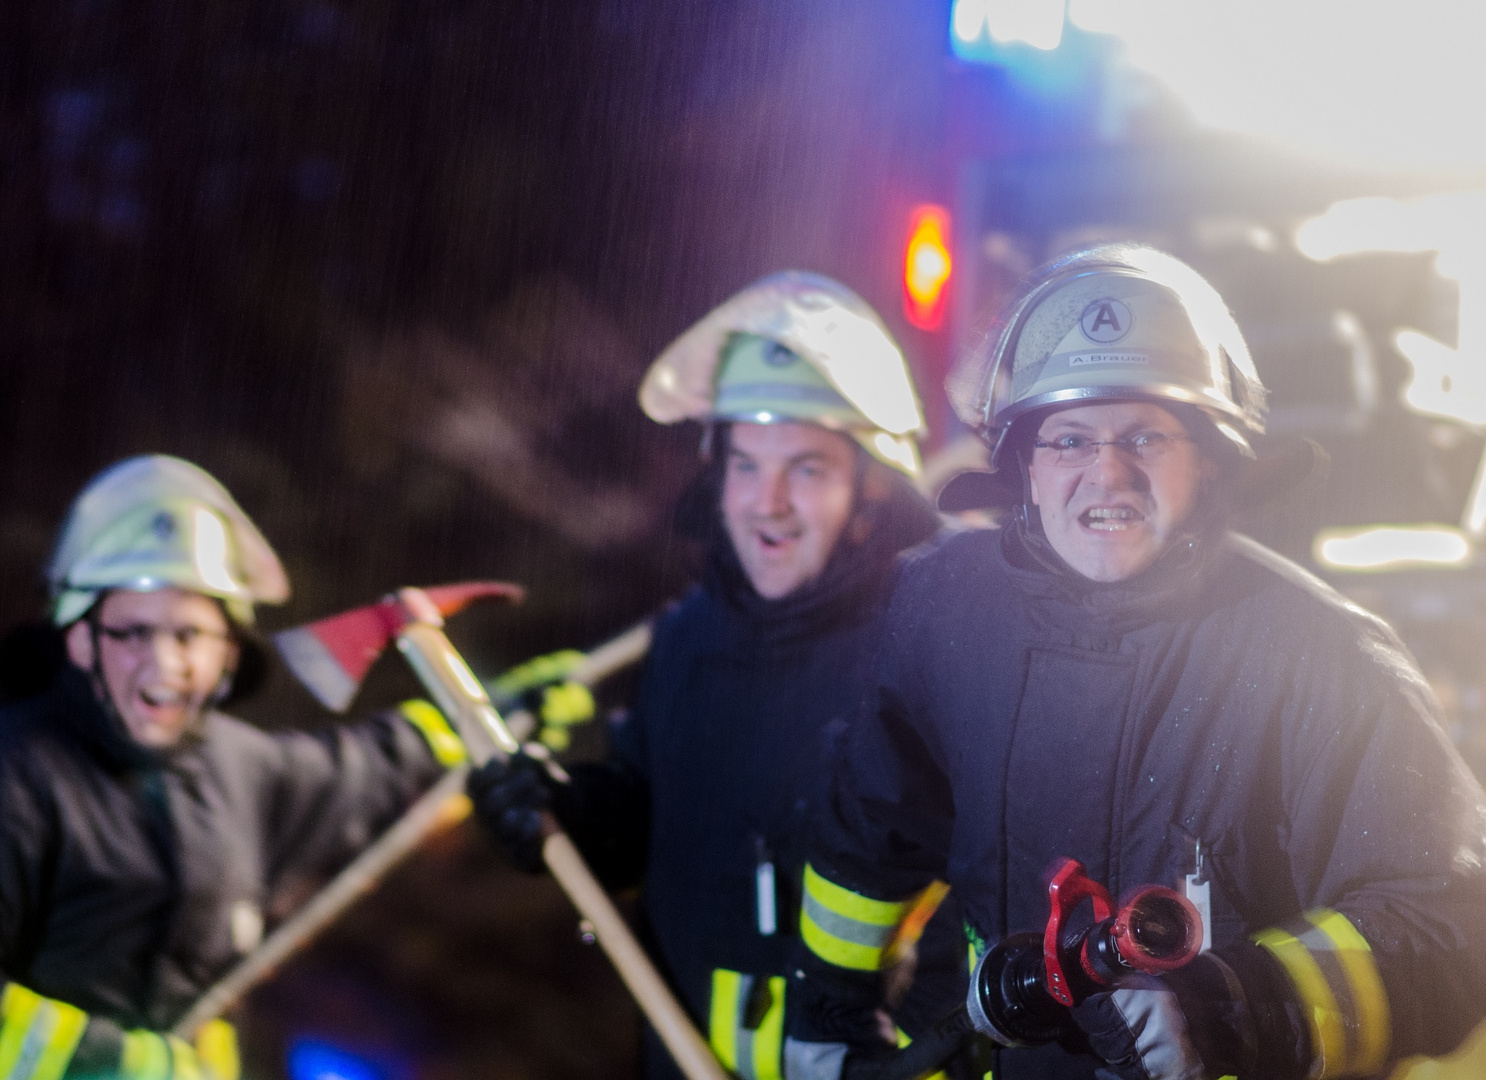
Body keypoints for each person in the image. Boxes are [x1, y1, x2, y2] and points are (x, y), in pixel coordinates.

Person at [784, 244, 1486, 1080]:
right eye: (1071, 438)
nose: (1106, 473)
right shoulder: (941, 609)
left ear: (1210, 459)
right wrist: (827, 1012)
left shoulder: (1324, 659)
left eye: (1147, 435)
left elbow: (1450, 927)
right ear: (1025, 469)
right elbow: (871, 831)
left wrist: (1231, 1005)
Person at [469, 272, 963, 1080]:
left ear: (870, 488)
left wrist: (915, 1054)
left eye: (805, 468)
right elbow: (647, 824)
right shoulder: (686, 639)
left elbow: (985, 889)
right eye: (744, 465)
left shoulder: (931, 647)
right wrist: (561, 814)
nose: (766, 503)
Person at [0, 455, 438, 1080]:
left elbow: (362, 770)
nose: (164, 665)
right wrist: (112, 1067)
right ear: (79, 640)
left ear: (229, 654)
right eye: (133, 632)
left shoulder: (242, 769)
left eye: (190, 634)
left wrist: (485, 722)